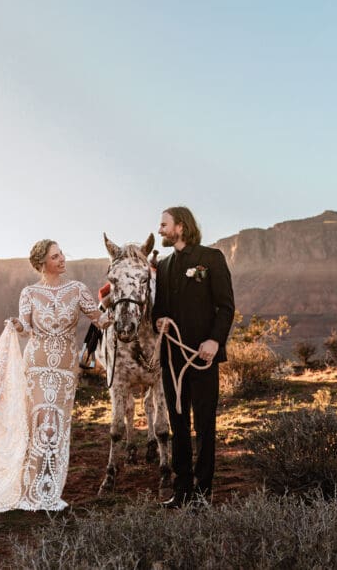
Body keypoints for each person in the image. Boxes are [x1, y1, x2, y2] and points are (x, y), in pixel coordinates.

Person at [0, 239, 111, 512]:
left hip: (64, 369)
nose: (62, 259)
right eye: (55, 256)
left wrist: (119, 311)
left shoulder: (78, 290)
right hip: (36, 365)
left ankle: (47, 491)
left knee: (55, 426)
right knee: (39, 422)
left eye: (62, 254)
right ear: (42, 264)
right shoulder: (30, 293)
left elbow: (100, 319)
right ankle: (28, 490)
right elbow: (25, 326)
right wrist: (16, 324)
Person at [153, 207, 234, 508]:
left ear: (181, 227)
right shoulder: (162, 266)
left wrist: (214, 340)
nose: (160, 230)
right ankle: (182, 490)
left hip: (202, 358)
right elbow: (158, 308)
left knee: (204, 424)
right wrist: (158, 321)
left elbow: (225, 306)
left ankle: (203, 494)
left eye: (164, 224)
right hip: (172, 359)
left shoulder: (211, 259)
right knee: (177, 423)